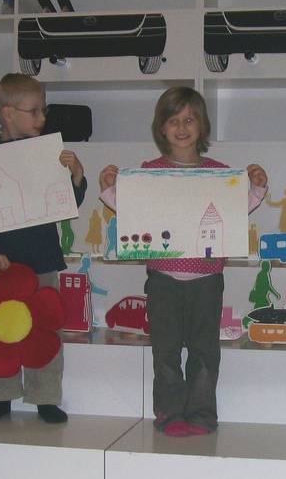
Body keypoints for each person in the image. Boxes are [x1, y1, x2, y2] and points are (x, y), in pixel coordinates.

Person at [99, 86, 267, 437]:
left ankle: (202, 414)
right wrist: (111, 189)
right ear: (162, 128)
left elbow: (235, 213)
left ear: (202, 125)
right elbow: (134, 213)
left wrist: (255, 189)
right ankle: (169, 413)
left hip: (207, 278)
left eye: (189, 120)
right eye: (173, 121)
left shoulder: (219, 173)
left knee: (205, 351)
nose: (181, 127)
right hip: (163, 278)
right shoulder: (149, 171)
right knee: (166, 351)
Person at [0, 73, 87, 424]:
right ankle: (1, 395)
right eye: (34, 111)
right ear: (8, 114)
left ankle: (45, 397)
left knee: (45, 331)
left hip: (41, 259)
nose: (42, 118)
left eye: (43, 110)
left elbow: (66, 203)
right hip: (2, 265)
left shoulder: (47, 156)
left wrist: (76, 175)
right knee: (0, 331)